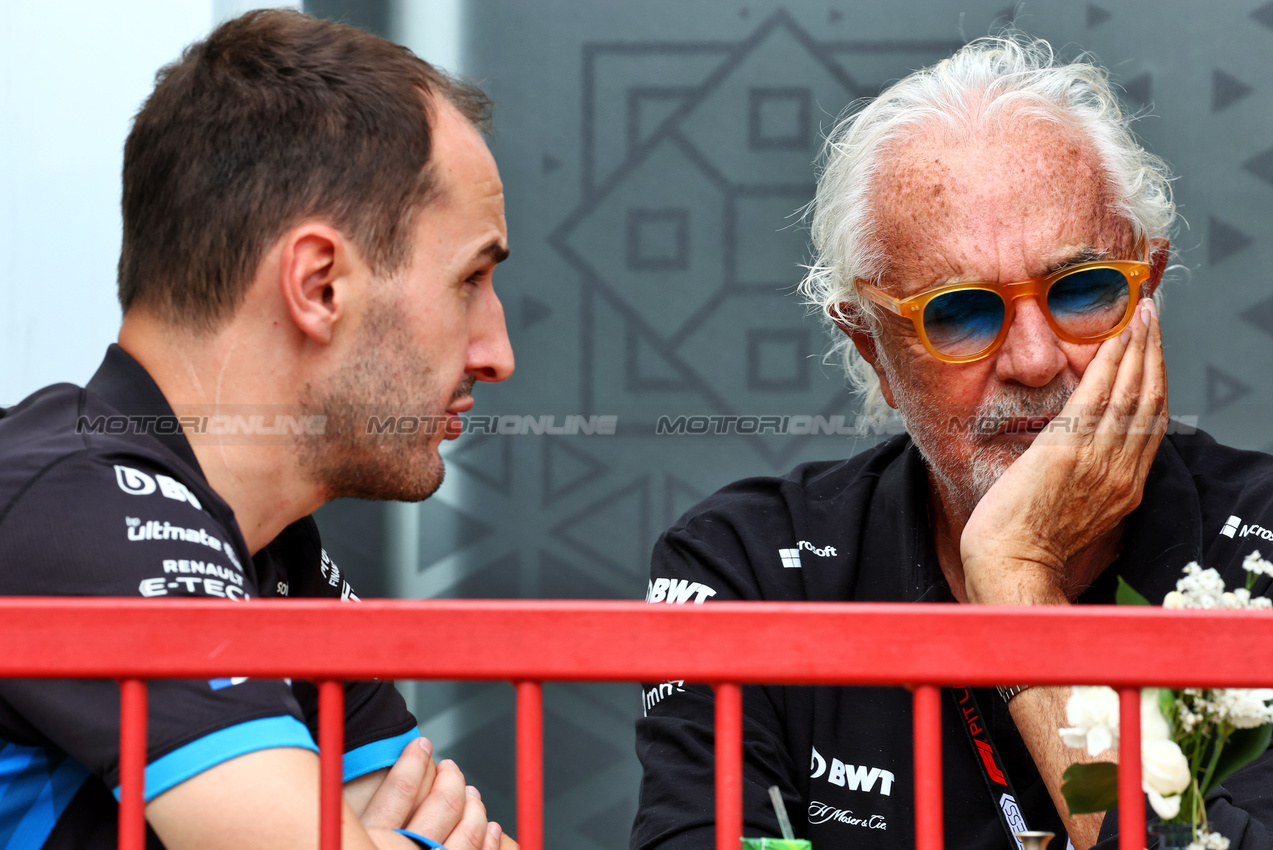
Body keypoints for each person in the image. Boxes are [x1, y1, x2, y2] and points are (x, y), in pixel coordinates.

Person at [631, 34, 1273, 850]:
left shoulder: (1260, 543)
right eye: (960, 313)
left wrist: (1015, 575)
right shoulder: (745, 566)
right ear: (871, 348)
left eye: (1082, 291)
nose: (1035, 361)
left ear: (1146, 290)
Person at [0, 10, 517, 850]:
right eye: (472, 278)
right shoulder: (81, 504)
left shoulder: (274, 552)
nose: (497, 353)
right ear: (318, 285)